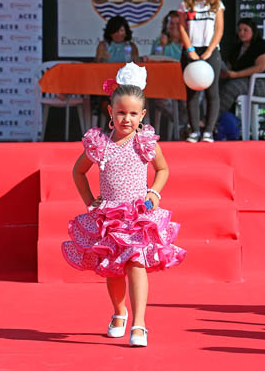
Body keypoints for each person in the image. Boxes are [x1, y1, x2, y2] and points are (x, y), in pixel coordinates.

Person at [62, 63, 186, 347]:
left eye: (132, 113)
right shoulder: (100, 144)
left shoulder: (145, 142)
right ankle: (119, 313)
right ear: (110, 112)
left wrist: (154, 193)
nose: (126, 119)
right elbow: (78, 172)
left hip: (138, 215)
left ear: (142, 115)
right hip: (109, 216)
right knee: (113, 268)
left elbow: (163, 169)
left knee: (136, 262)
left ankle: (139, 323)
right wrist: (90, 201)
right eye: (120, 112)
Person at [178, 0, 225, 143]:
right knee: (192, 93)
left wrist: (209, 51)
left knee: (212, 93)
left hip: (210, 51)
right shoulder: (185, 4)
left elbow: (219, 30)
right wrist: (190, 50)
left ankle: (208, 131)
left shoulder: (216, 4)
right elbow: (182, 28)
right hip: (191, 50)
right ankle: (194, 131)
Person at [218, 18, 265, 115]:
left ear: (253, 31)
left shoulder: (261, 46)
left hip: (263, 84)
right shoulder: (238, 47)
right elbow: (230, 64)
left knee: (231, 87)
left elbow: (260, 68)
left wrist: (235, 75)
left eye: (245, 30)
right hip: (244, 82)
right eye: (240, 30)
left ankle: (211, 120)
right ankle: (214, 121)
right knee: (216, 85)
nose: (242, 33)